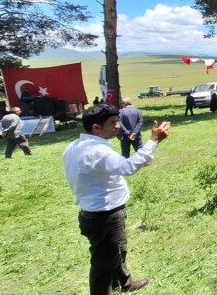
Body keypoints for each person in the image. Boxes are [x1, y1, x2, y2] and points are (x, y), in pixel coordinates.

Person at [63, 104, 171, 294]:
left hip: (95, 212)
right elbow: (127, 168)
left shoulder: (75, 146)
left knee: (117, 250)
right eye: (112, 123)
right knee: (103, 264)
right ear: (96, 128)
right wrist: (154, 141)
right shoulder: (99, 152)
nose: (118, 126)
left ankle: (125, 282)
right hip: (104, 214)